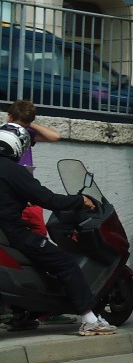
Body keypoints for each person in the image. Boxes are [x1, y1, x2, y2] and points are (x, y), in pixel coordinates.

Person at [0, 124, 116, 336]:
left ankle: (22, 316)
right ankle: (89, 319)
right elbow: (47, 199)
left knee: (37, 264)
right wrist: (79, 200)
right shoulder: (12, 170)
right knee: (65, 264)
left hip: (6, 234)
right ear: (17, 146)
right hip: (12, 232)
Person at [6, 99, 62, 238]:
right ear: (9, 117)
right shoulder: (3, 135)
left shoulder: (26, 134)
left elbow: (55, 137)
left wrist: (28, 125)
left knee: (40, 233)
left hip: (28, 197)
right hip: (11, 196)